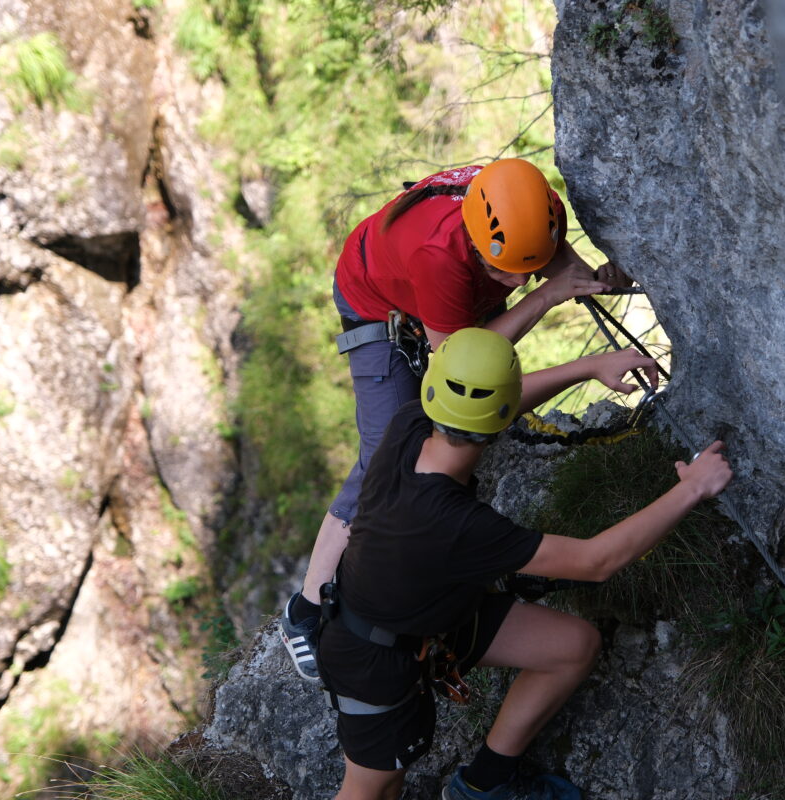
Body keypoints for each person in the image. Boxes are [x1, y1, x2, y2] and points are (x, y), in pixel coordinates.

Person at [315, 328, 733, 800]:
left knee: (572, 645)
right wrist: (692, 488)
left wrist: (588, 366)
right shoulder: (456, 524)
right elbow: (597, 561)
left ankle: (483, 784)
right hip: (375, 661)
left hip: (419, 617)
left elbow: (488, 407)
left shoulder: (409, 423)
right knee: (374, 793)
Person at [281, 158, 631, 680]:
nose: (515, 279)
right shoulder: (438, 254)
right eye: (503, 270)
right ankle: (306, 610)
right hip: (376, 304)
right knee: (388, 452)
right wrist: (544, 295)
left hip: (447, 297)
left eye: (524, 266)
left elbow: (559, 266)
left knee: (455, 434)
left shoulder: (530, 209)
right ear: (473, 241)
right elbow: (459, 365)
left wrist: (597, 280)